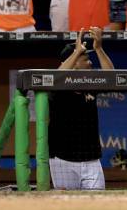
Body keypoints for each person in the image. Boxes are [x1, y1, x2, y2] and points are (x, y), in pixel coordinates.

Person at [49, 27, 113, 190]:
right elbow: (57, 79)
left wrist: (98, 48)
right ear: (72, 61)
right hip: (63, 159)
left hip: (91, 159)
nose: (90, 62)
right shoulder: (57, 84)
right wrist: (77, 52)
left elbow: (112, 78)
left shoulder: (91, 82)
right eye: (84, 58)